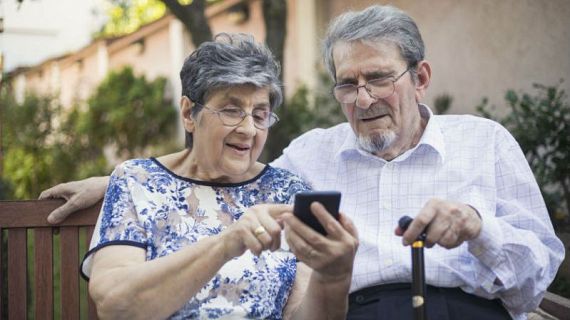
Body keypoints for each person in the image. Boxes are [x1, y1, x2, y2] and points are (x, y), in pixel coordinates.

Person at [40, 5, 564, 320]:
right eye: (347, 83)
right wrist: (116, 181)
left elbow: (537, 276)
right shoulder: (311, 156)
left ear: (420, 77)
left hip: (467, 311)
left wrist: (477, 227)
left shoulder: (485, 142)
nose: (362, 99)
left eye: (378, 78)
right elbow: (219, 169)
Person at [66, 33, 359, 319]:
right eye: (231, 110)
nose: (248, 129)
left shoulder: (286, 190)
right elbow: (115, 306)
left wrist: (333, 277)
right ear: (188, 114)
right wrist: (225, 244)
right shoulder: (136, 181)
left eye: (260, 114)